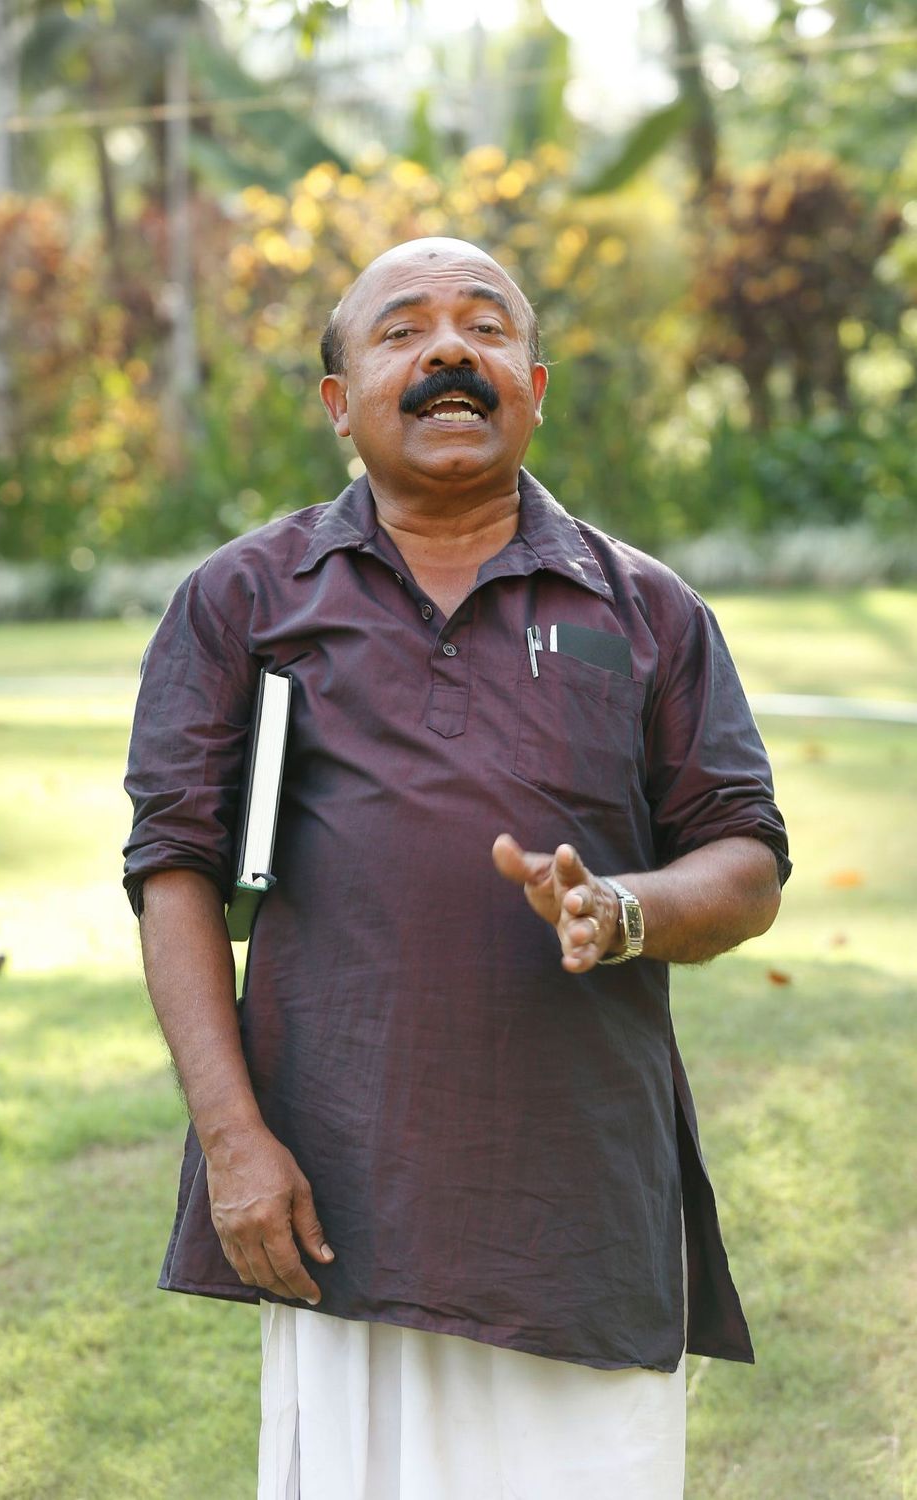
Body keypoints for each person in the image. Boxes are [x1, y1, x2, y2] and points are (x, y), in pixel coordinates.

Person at [123, 237, 790, 1500]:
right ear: (339, 402)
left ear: (531, 385)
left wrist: (623, 909)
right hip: (340, 1195)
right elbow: (176, 873)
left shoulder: (647, 609)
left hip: (576, 1206)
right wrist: (233, 1141)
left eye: (484, 327)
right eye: (402, 330)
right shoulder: (244, 599)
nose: (447, 352)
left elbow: (745, 857)